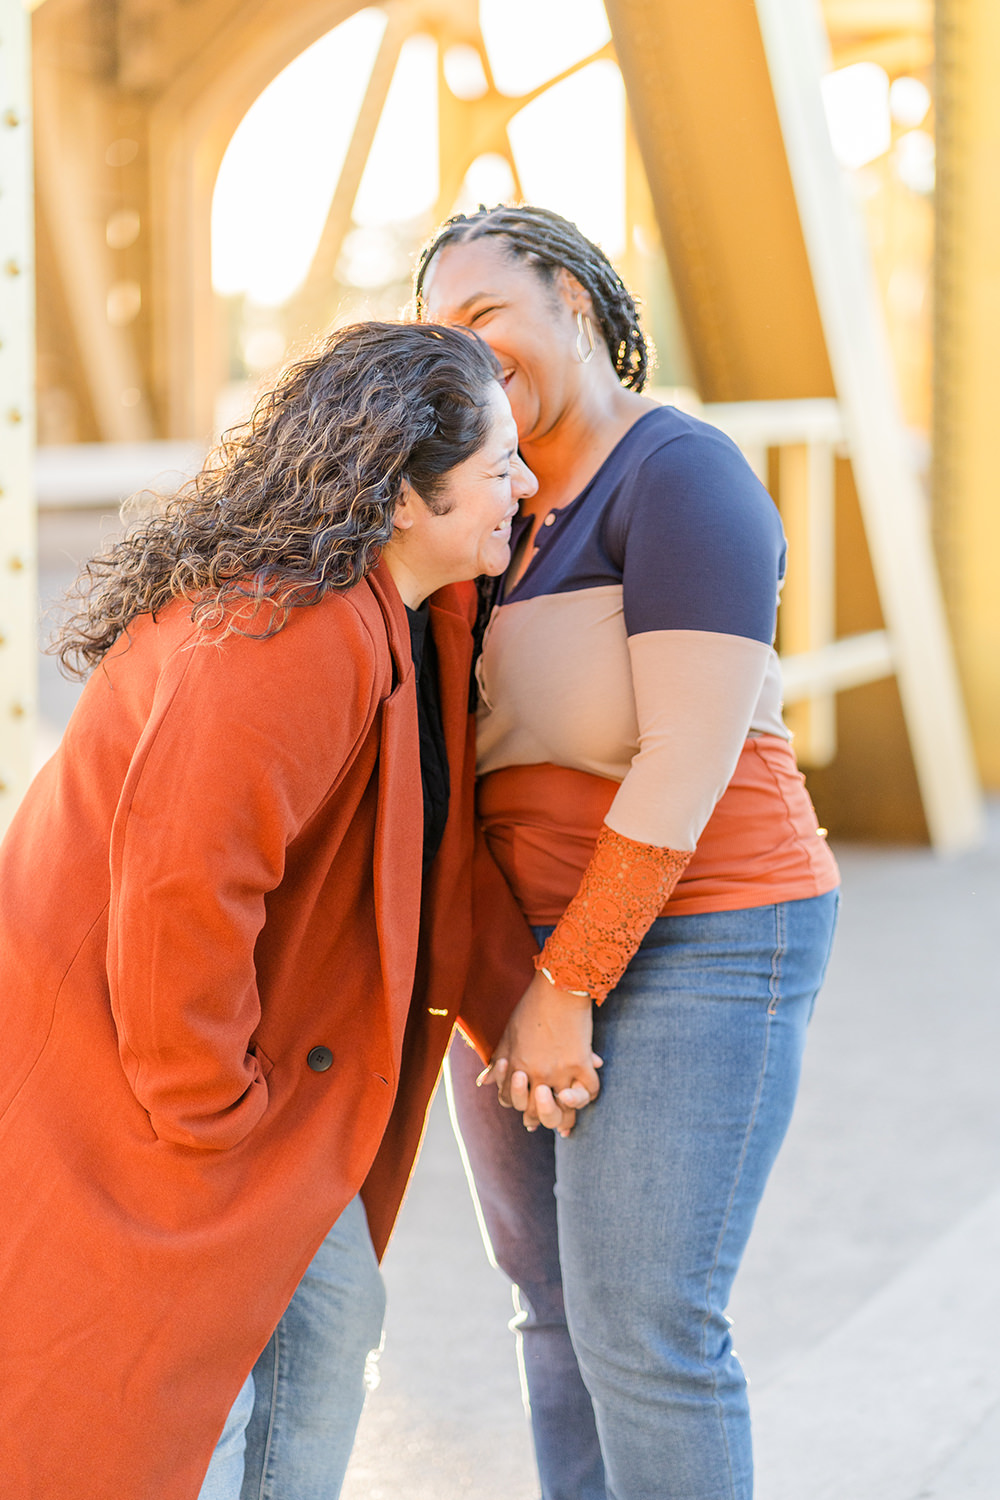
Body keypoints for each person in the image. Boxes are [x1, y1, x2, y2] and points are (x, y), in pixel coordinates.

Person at [0, 320, 538, 1500]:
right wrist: (215, 1112)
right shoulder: (289, 633)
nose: (527, 485)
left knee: (324, 1318)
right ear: (405, 495)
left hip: (196, 1074)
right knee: (166, 1392)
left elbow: (422, 861)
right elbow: (185, 882)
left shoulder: (372, 611)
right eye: (499, 465)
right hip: (140, 1074)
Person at [415, 205, 842, 1500]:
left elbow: (687, 759)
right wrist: (508, 984)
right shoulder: (485, 515)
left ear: (578, 308)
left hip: (708, 930)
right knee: (549, 1310)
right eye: (438, 336)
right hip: (529, 953)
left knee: (645, 1331)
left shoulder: (680, 477)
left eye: (486, 316)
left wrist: (571, 982)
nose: (466, 355)